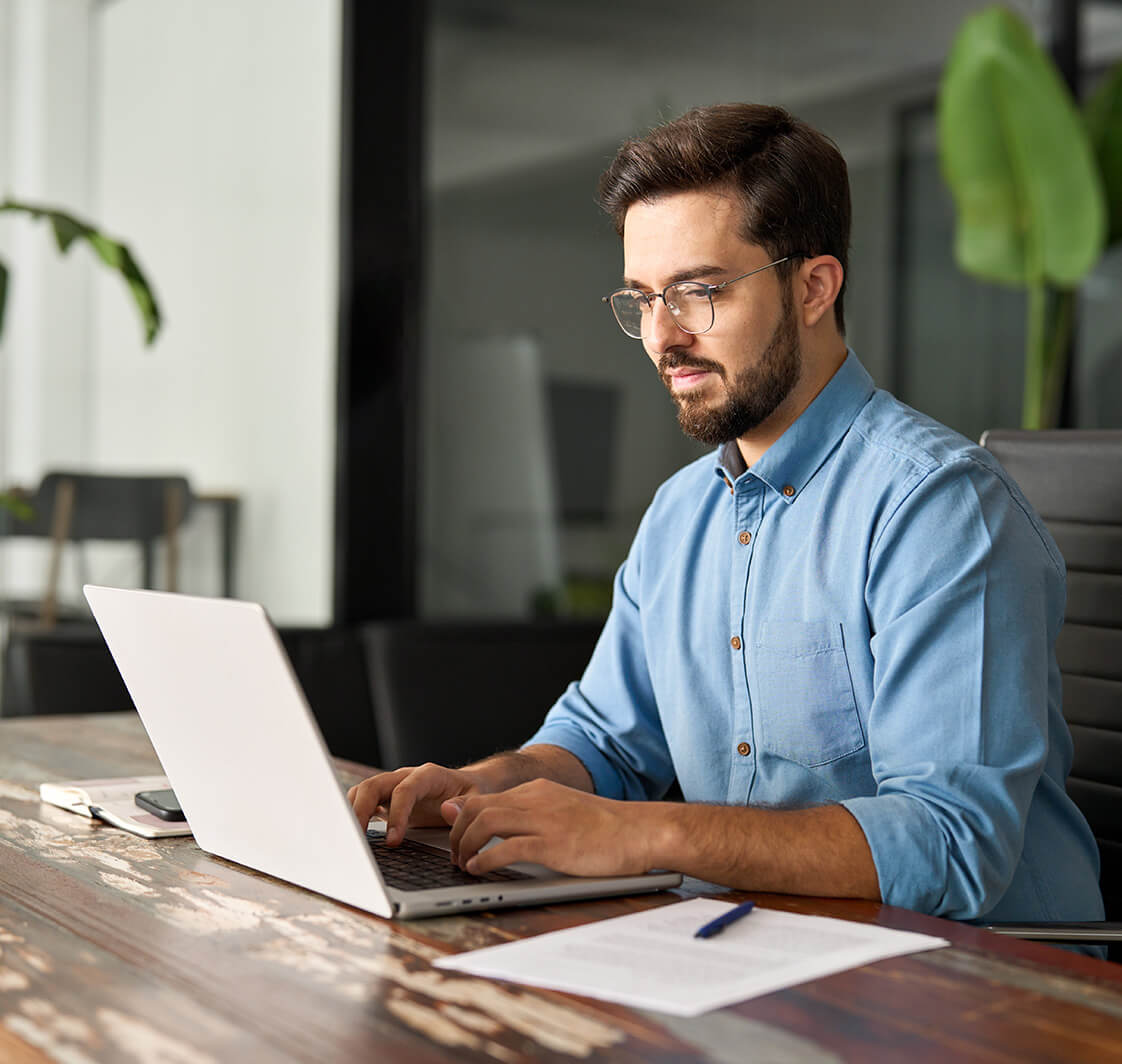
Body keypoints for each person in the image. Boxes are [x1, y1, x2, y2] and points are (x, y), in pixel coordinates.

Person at [349, 103, 1104, 927]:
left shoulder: (938, 507)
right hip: (756, 949)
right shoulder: (681, 516)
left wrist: (646, 835)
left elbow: (952, 844)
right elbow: (603, 742)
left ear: (813, 286)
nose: (661, 338)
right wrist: (479, 788)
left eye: (699, 292)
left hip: (978, 989)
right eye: (643, 299)